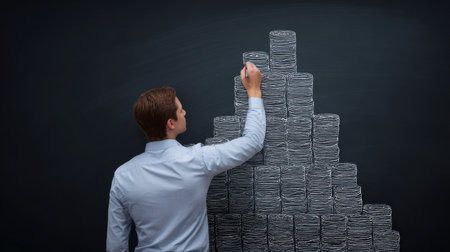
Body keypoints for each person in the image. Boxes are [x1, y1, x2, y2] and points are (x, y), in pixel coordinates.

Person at [106, 62, 266, 251]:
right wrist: (254, 90)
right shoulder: (198, 160)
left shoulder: (123, 176)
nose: (185, 112)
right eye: (180, 110)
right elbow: (253, 142)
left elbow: (116, 245)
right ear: (171, 123)